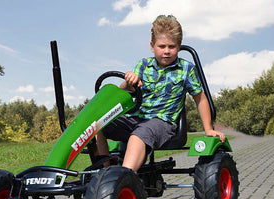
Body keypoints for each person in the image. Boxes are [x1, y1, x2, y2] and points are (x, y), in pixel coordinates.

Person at [95, 15, 225, 172]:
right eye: (162, 46)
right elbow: (123, 91)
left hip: (163, 123)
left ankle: (122, 179)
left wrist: (208, 129)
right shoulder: (143, 65)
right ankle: (104, 172)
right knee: (96, 124)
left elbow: (200, 99)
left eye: (172, 46)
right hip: (136, 118)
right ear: (152, 46)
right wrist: (129, 81)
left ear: (179, 46)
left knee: (140, 134)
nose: (167, 51)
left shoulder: (186, 69)